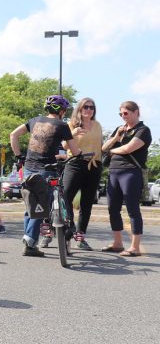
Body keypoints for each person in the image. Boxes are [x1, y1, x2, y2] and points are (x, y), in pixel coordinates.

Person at [10, 95, 81, 257]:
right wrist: (80, 155)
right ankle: (29, 242)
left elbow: (13, 135)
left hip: (28, 169)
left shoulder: (34, 120)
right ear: (62, 111)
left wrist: (19, 156)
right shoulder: (62, 126)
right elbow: (75, 151)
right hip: (47, 170)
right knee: (41, 206)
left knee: (31, 204)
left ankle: (29, 241)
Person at [101, 101, 151, 257]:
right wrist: (116, 137)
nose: (123, 116)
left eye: (126, 113)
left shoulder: (143, 130)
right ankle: (117, 243)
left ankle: (135, 247)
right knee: (113, 209)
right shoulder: (120, 130)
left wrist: (111, 151)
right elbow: (103, 148)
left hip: (130, 172)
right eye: (121, 114)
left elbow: (129, 148)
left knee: (132, 209)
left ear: (136, 112)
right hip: (114, 172)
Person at [61, 98, 103, 251]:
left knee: (87, 203)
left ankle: (80, 237)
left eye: (92, 107)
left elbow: (100, 146)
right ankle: (69, 226)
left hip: (94, 165)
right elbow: (64, 146)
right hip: (75, 164)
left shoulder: (97, 125)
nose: (89, 110)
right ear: (79, 109)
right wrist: (73, 133)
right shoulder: (71, 124)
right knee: (65, 197)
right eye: (85, 107)